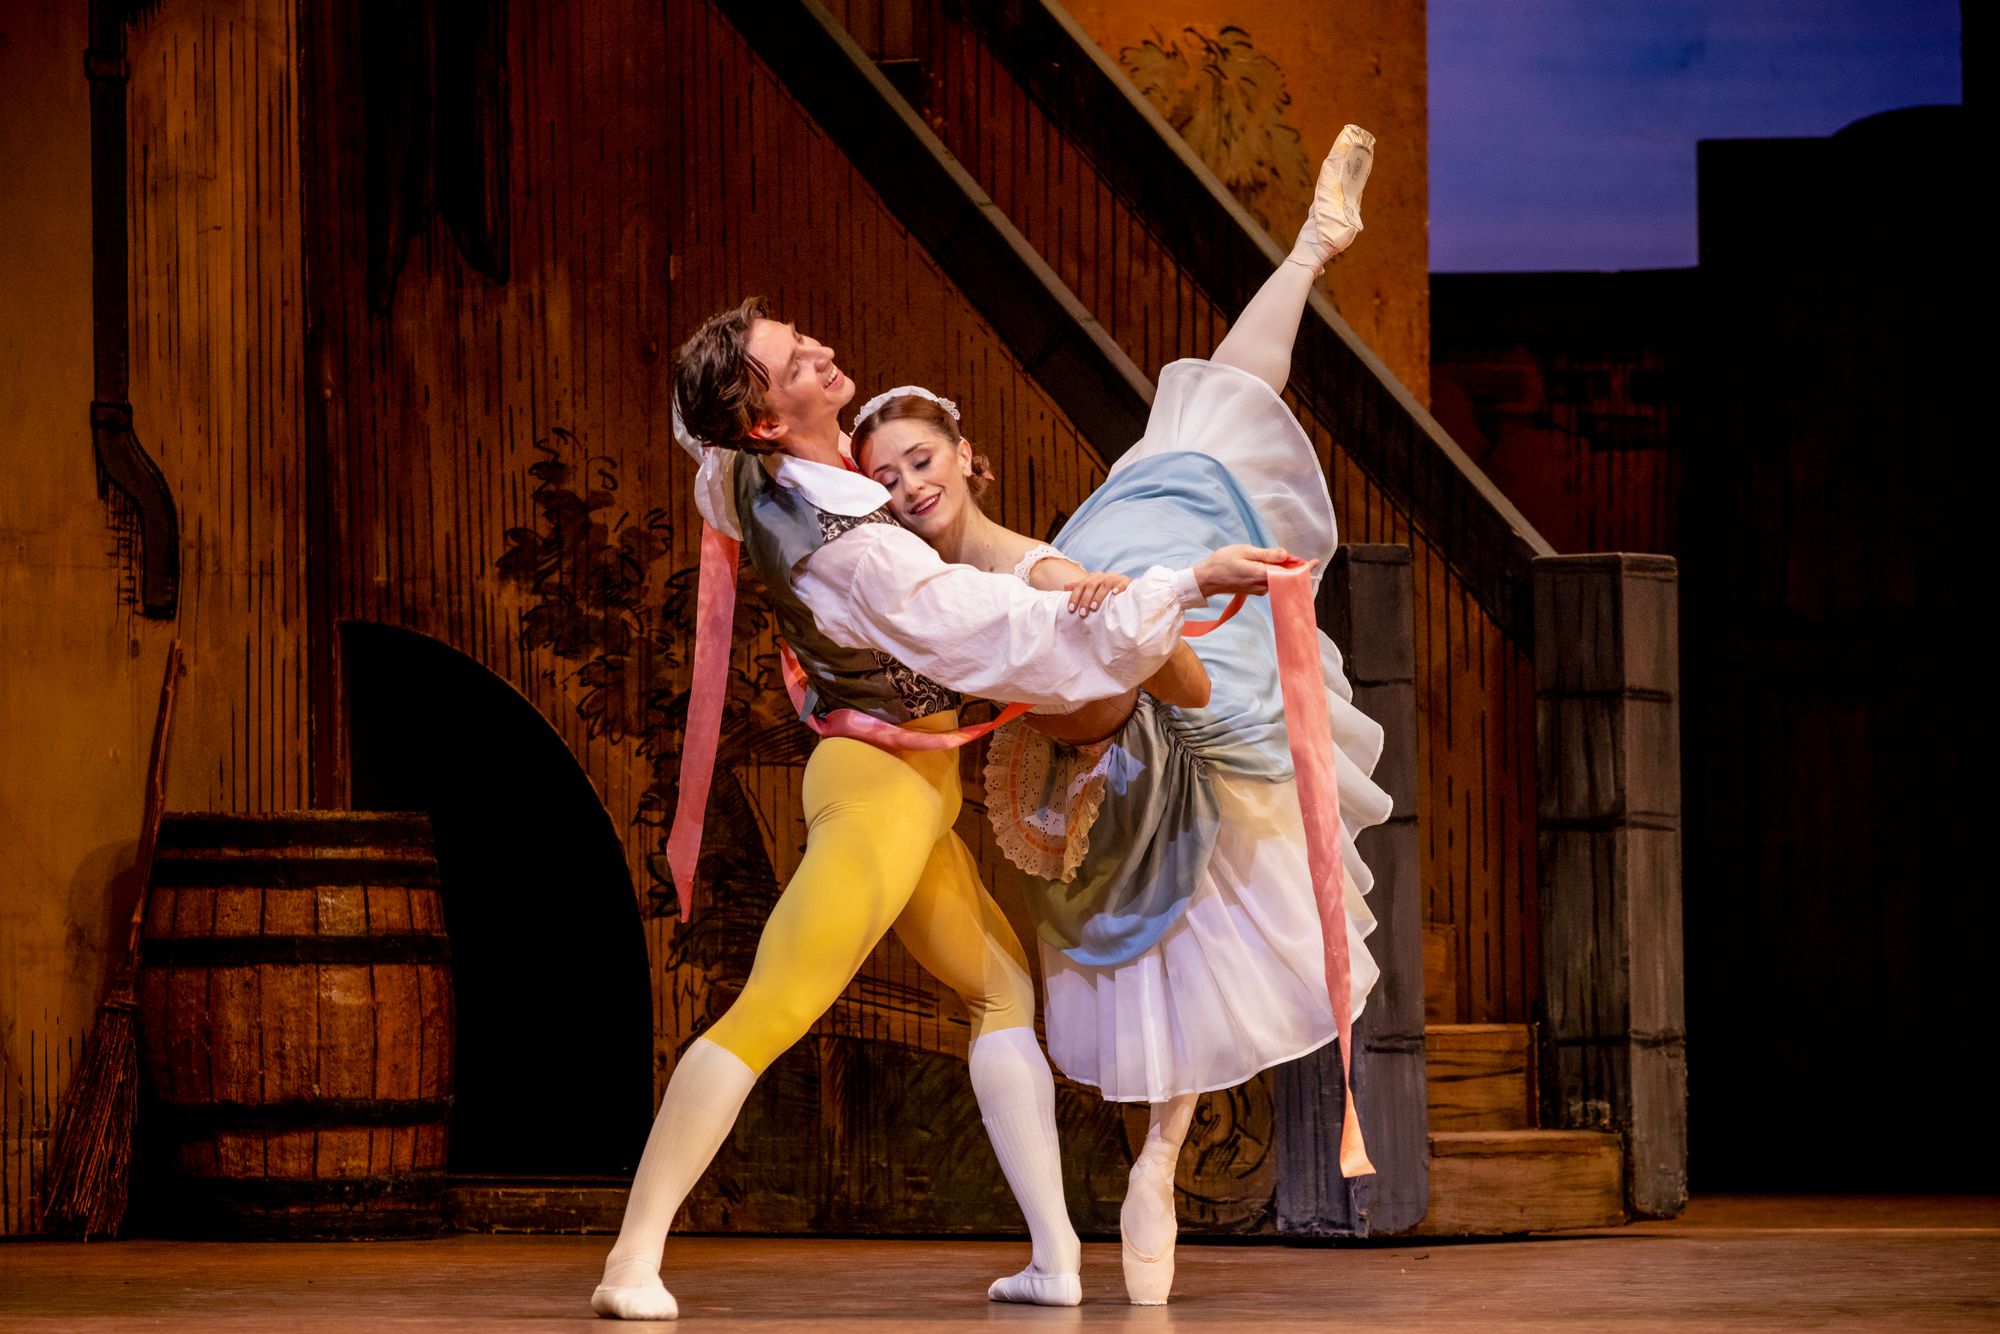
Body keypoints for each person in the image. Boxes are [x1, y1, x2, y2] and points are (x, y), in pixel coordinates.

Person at [588, 294, 1294, 1319]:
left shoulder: (739, 469)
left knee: (1001, 989)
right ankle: (630, 1260)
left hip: (914, 786)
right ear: (765, 419)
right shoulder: (858, 548)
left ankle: (1054, 1258)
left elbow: (694, 429)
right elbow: (995, 626)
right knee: (772, 1007)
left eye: (802, 339)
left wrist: (719, 378)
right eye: (794, 361)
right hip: (874, 788)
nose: (823, 351)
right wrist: (1185, 579)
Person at [850, 126, 1393, 1305]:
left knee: (1204, 426)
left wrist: (1119, 593)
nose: (906, 484)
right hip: (1078, 739)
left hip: (1118, 657)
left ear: (965, 457)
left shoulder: (1009, 558)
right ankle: (1134, 1173)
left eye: (919, 457)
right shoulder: (890, 579)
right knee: (1135, 961)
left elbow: (1042, 579)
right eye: (885, 476)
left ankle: (1309, 245)